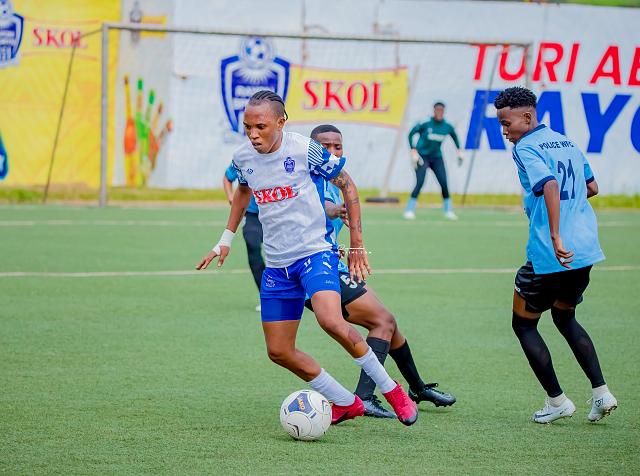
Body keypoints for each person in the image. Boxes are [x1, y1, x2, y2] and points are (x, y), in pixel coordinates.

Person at [196, 90, 418, 426]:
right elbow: (242, 190)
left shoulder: (304, 149)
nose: (253, 134)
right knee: (279, 351)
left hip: (315, 253)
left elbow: (347, 184)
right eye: (247, 127)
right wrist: (225, 239)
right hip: (278, 266)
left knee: (331, 321)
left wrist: (357, 243)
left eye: (260, 126)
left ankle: (393, 391)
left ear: (281, 122)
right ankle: (346, 402)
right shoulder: (243, 157)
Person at [305, 124, 456, 419]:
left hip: (330, 264)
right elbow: (319, 206)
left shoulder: (335, 179)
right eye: (325, 146)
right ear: (311, 149)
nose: (332, 152)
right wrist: (335, 211)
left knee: (388, 324)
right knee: (383, 322)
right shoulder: (309, 179)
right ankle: (365, 397)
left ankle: (417, 388)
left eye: (338, 146)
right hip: (315, 271)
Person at [494, 86, 617, 424]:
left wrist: (555, 233)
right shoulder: (566, 142)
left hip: (552, 253)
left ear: (527, 117)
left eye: (506, 123)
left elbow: (549, 184)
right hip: (585, 248)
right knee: (565, 317)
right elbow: (591, 187)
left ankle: (557, 401)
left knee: (523, 325)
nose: (504, 131)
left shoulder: (525, 147)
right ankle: (602, 393)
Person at [404, 102, 463, 221]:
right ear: (434, 110)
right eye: (437, 110)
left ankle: (448, 210)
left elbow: (455, 137)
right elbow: (411, 134)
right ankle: (409, 209)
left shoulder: (447, 126)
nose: (439, 112)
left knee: (444, 182)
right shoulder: (426, 123)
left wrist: (459, 151)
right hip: (422, 157)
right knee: (420, 182)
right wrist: (413, 149)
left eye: (442, 110)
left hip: (437, 157)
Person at [223, 163, 264, 312]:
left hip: (278, 214)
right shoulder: (244, 157)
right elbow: (228, 177)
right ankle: (267, 295)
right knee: (253, 247)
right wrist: (230, 196)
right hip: (252, 215)